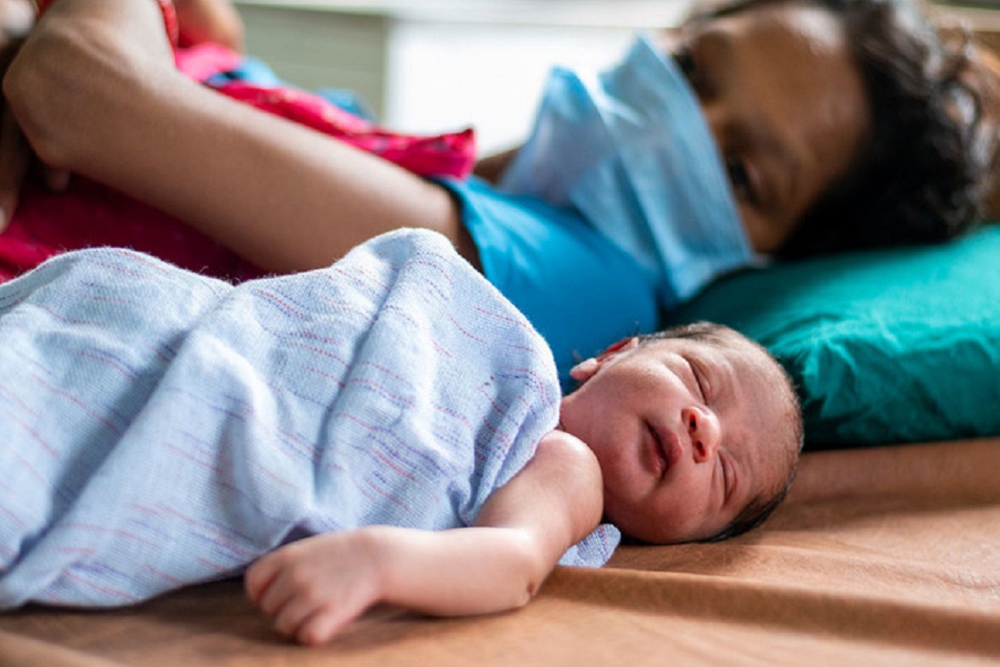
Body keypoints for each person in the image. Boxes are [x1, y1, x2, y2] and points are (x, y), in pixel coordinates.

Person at [2, 0, 998, 387]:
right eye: (694, 68)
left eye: (742, 174)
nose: (676, 123)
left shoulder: (575, 284)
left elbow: (81, 96)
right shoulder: (424, 167)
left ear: (772, 261)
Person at [0, 227, 803, 646]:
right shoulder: (492, 343)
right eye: (700, 383)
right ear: (612, 356)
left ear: (685, 536)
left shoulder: (569, 472)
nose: (704, 431)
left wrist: (381, 560)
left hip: (207, 402)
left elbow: (513, 564)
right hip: (195, 325)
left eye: (725, 473)